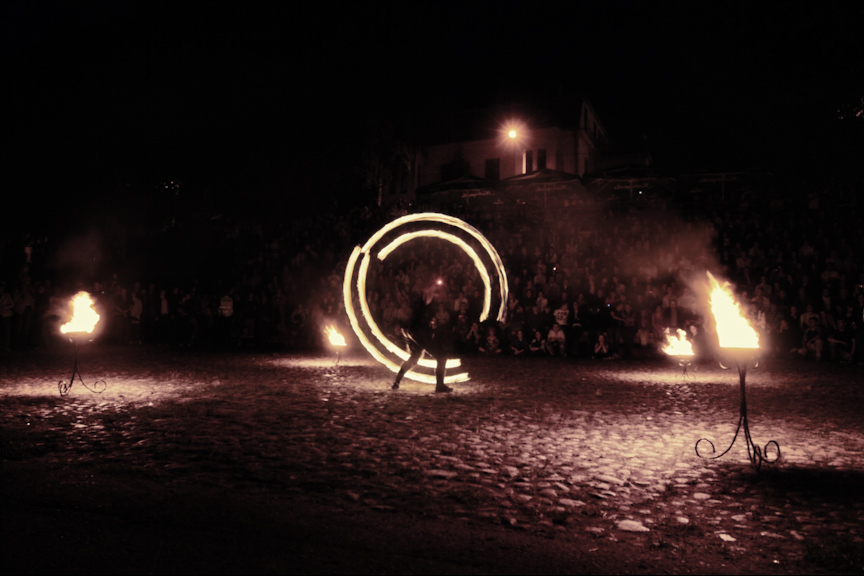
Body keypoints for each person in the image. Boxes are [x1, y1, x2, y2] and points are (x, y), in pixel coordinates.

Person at [392, 283, 453, 393]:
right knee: (441, 357)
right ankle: (440, 386)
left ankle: (397, 381)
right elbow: (426, 298)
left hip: (414, 332)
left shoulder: (429, 303)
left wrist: (432, 323)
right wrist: (432, 289)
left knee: (414, 357)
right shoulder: (426, 300)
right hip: (419, 333)